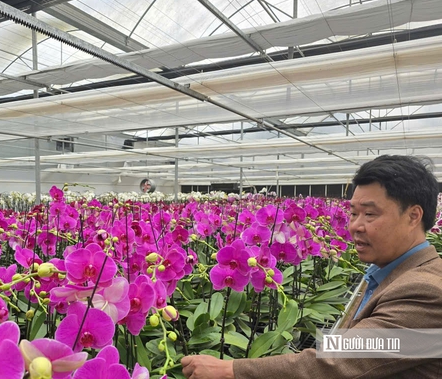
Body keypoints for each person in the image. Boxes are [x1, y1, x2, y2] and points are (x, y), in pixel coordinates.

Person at [181, 155, 442, 378]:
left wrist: (230, 370)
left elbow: (338, 361)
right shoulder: (386, 271)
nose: (355, 226)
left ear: (413, 216)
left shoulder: (424, 291)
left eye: (370, 214)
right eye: (353, 213)